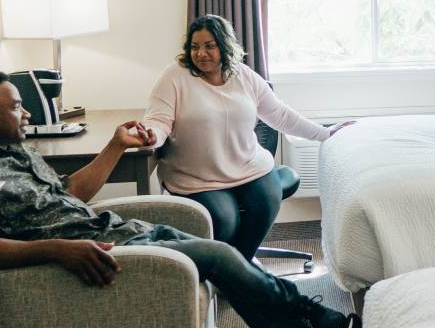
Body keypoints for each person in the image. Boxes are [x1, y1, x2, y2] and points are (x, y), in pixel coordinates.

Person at [0, 70, 359, 328]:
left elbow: (71, 193)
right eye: (16, 106)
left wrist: (115, 146)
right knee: (219, 255)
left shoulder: (16, 152)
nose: (27, 112)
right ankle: (317, 324)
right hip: (97, 252)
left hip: (119, 230)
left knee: (222, 256)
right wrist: (57, 249)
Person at [143, 14, 352, 260]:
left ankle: (237, 267)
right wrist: (150, 136)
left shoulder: (243, 75)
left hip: (249, 167)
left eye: (210, 46)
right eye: (195, 47)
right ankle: (237, 269)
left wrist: (325, 133)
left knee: (266, 202)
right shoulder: (175, 76)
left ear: (225, 46)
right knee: (226, 220)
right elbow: (158, 122)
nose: (201, 53)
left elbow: (280, 115)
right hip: (197, 177)